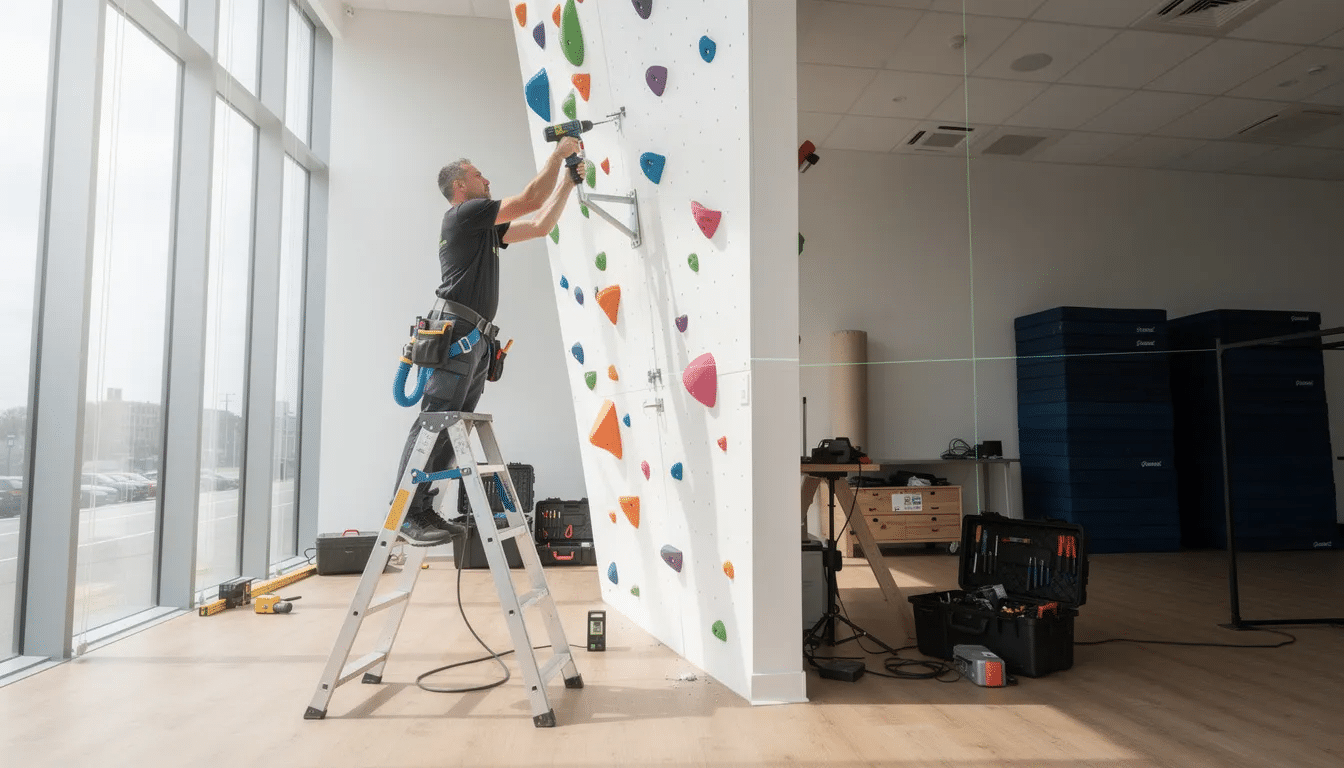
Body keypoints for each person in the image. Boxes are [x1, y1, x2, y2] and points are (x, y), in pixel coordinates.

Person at [394, 137, 586, 546]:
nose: (487, 180)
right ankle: (407, 515)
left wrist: (568, 182)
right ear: (460, 186)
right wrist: (558, 154)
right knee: (435, 419)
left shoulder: (481, 228)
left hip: (476, 338)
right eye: (479, 175)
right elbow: (530, 201)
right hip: (458, 332)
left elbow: (539, 226)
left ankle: (425, 508)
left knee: (452, 424)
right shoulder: (463, 214)